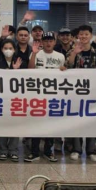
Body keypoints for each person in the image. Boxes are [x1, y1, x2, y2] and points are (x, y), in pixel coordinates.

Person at [65, 24, 96, 162]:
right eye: (81, 34)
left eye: (86, 34)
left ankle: (91, 150)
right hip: (75, 92)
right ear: (78, 36)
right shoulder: (72, 51)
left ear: (91, 36)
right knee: (76, 121)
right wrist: (74, 53)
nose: (83, 37)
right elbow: (67, 66)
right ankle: (76, 149)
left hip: (93, 93)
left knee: (92, 120)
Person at [26, 32, 67, 163]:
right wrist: (33, 53)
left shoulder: (60, 56)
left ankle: (49, 151)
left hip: (53, 94)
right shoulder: (36, 53)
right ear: (42, 42)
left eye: (50, 40)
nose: (48, 43)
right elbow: (30, 70)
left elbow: (64, 73)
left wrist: (64, 70)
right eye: (46, 40)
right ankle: (34, 152)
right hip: (38, 94)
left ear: (54, 42)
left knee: (51, 124)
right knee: (36, 124)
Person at [0, 39, 23, 162]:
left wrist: (15, 71)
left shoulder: (20, 61)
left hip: (16, 98)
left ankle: (13, 150)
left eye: (10, 48)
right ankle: (3, 150)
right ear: (2, 49)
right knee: (3, 125)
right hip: (2, 98)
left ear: (14, 50)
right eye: (5, 48)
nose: (8, 50)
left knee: (15, 124)